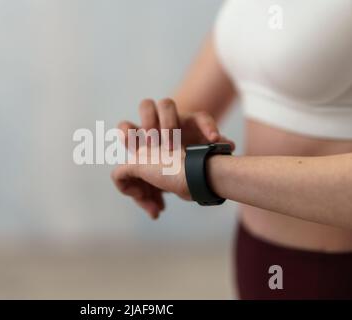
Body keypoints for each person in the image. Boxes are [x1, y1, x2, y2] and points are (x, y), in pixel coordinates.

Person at [111, 0, 352, 299]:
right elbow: (206, 93)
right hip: (258, 257)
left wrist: (204, 173)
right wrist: (162, 138)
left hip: (335, 275)